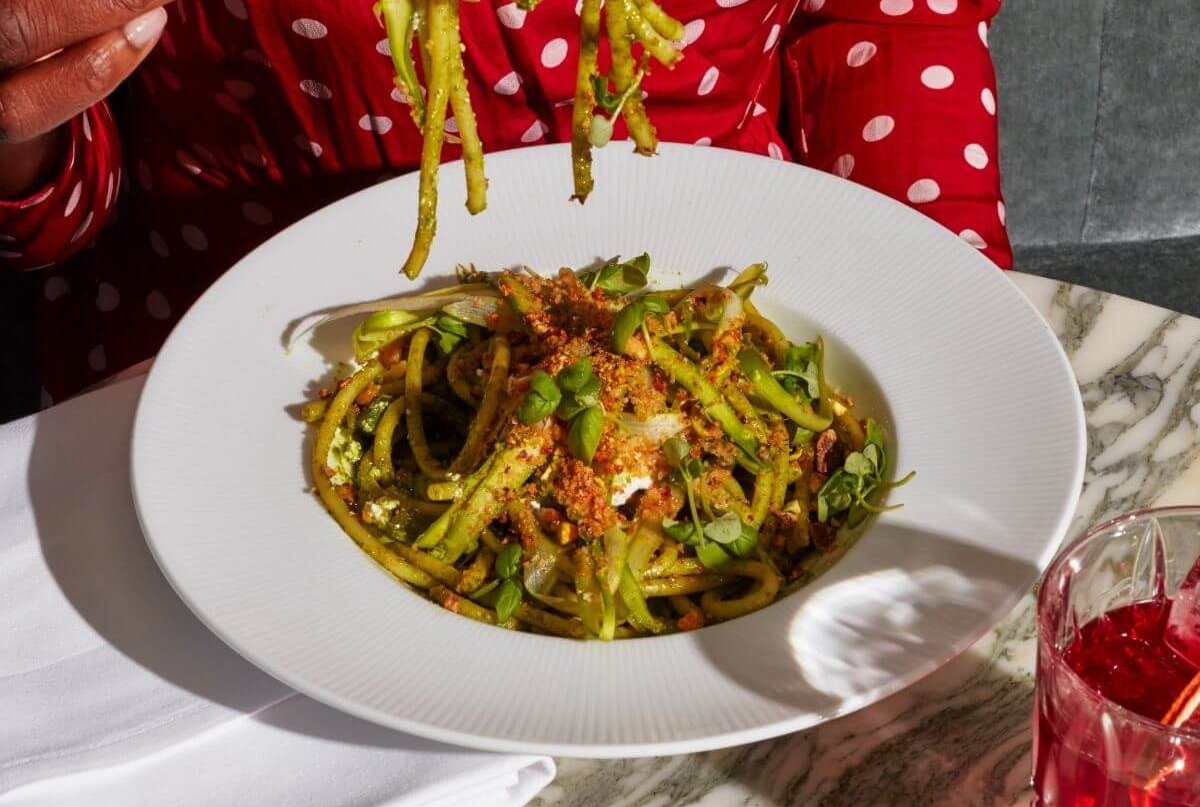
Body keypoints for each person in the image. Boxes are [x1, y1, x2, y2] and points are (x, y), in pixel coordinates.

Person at [0, 0, 1008, 405]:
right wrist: (22, 115)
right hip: (244, 382)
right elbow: (64, 217)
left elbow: (891, 21)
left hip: (737, 346)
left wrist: (944, 330)